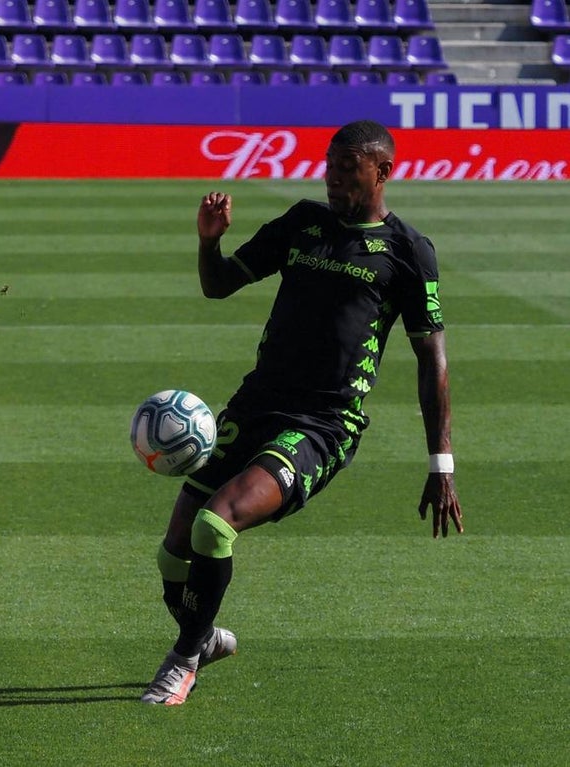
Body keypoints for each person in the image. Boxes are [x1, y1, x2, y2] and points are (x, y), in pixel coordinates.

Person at [142, 120, 464, 706]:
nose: (333, 179)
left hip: (322, 425)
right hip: (256, 404)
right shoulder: (302, 223)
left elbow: (431, 358)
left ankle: (182, 661)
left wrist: (440, 462)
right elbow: (220, 285)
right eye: (329, 166)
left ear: (382, 172)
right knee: (174, 550)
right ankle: (202, 638)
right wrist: (209, 243)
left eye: (348, 169)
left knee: (216, 525)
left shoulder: (408, 251)